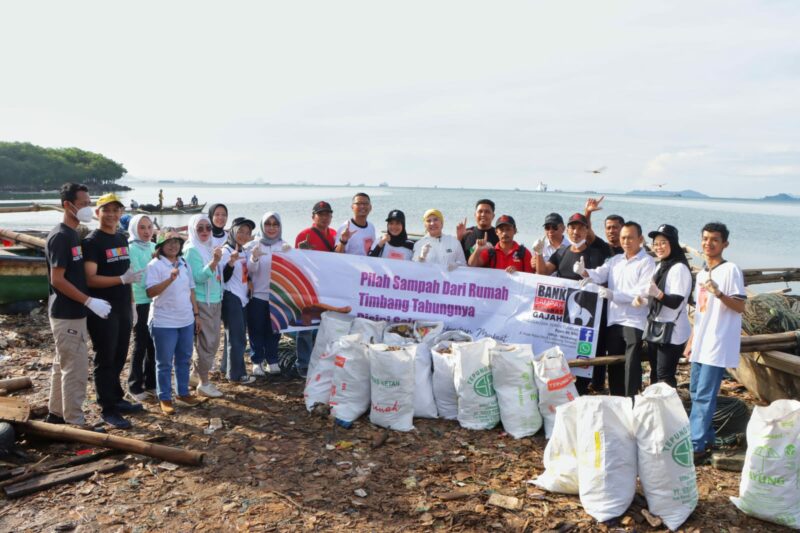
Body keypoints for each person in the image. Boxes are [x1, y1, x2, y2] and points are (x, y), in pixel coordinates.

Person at [44, 183, 112, 429]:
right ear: (67, 205)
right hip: (66, 312)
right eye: (83, 204)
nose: (88, 208)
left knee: (63, 363)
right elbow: (57, 279)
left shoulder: (74, 234)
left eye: (88, 203)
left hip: (73, 312)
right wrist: (88, 300)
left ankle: (57, 413)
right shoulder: (61, 236)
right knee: (76, 369)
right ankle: (75, 421)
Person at [534, 203, 612, 394]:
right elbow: (543, 273)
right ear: (567, 230)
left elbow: (604, 279)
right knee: (564, 347)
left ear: (587, 230)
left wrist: (588, 278)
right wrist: (538, 254)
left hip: (588, 314)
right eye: (572, 227)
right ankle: (563, 380)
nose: (576, 231)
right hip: (565, 313)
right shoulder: (561, 252)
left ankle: (587, 385)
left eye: (580, 227)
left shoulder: (596, 254)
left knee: (587, 351)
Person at [82, 193, 144, 429]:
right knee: (105, 358)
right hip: (102, 308)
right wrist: (120, 279)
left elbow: (127, 274)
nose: (111, 214)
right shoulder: (92, 242)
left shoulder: (120, 237)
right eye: (106, 210)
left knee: (120, 355)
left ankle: (117, 398)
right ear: (97, 213)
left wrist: (131, 303)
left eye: (116, 210)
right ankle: (107, 408)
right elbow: (90, 278)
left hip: (123, 306)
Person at [685, 222, 745, 461]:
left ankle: (695, 445)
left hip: (717, 342)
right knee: (694, 391)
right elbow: (701, 313)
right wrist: (691, 341)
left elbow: (740, 306)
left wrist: (720, 294)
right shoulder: (701, 274)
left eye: (714, 240)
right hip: (701, 341)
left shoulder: (730, 270)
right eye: (705, 238)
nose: (708, 243)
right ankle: (706, 438)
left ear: (725, 244)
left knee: (704, 394)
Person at [577, 221, 655, 397]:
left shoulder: (647, 262)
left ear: (640, 239)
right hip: (614, 319)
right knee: (614, 362)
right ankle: (618, 398)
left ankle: (632, 398)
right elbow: (599, 273)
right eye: (623, 238)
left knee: (631, 361)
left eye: (630, 237)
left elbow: (642, 292)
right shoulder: (615, 260)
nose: (626, 241)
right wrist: (584, 272)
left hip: (634, 320)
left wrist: (614, 295)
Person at [146, 229, 203, 415]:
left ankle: (183, 392)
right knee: (163, 362)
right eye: (169, 243)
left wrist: (196, 315)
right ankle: (164, 397)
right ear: (161, 246)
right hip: (164, 321)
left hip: (185, 319)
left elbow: (191, 290)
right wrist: (169, 280)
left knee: (184, 358)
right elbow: (150, 292)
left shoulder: (184, 262)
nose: (173, 246)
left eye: (177, 243)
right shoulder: (155, 265)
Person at [293, 201, 337, 378]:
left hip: (328, 286)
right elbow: (296, 262)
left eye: (328, 214)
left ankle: (319, 360)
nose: (325, 217)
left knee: (324, 325)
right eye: (321, 214)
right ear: (313, 216)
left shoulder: (334, 234)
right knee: (305, 326)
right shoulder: (304, 235)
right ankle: (303, 363)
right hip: (308, 286)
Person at [644, 224, 692, 388]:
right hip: (657, 326)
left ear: (673, 243)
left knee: (665, 376)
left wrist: (657, 293)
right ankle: (656, 409)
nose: (659, 247)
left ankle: (669, 410)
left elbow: (675, 302)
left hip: (673, 330)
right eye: (656, 243)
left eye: (663, 242)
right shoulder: (661, 265)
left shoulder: (678, 268)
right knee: (655, 373)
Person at [247, 212, 293, 376]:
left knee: (274, 330)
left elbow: (291, 272)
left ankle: (272, 361)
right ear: (262, 226)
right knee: (256, 329)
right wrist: (254, 257)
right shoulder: (253, 244)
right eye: (268, 224)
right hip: (258, 295)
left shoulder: (285, 245)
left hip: (277, 296)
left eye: (275, 224)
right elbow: (250, 272)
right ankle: (257, 361)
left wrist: (291, 254)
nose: (272, 227)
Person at [184, 214, 224, 398]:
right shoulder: (192, 249)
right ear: (193, 230)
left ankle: (194, 375)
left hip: (215, 299)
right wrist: (214, 262)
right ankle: (204, 383)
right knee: (207, 343)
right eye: (199, 228)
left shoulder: (208, 247)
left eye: (208, 228)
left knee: (212, 341)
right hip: (202, 300)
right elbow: (198, 277)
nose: (205, 232)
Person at [221, 217, 258, 384]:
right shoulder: (225, 251)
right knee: (238, 338)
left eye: (247, 232)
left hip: (242, 297)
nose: (244, 235)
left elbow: (245, 271)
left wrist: (249, 279)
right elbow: (223, 278)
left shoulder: (243, 250)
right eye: (240, 231)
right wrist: (230, 263)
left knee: (234, 336)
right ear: (232, 231)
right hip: (230, 296)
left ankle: (226, 368)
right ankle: (237, 375)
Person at [127, 214, 157, 402]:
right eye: (142, 228)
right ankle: (134, 385)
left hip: (156, 300)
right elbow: (139, 276)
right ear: (134, 230)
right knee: (140, 343)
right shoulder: (131, 248)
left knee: (154, 343)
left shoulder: (154, 247)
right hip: (140, 301)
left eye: (149, 227)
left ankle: (151, 383)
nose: (147, 232)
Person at [468, 215, 532, 273]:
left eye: (508, 229)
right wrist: (477, 250)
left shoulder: (524, 253)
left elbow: (531, 278)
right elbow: (471, 265)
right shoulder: (490, 252)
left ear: (515, 231)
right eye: (501, 230)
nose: (504, 233)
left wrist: (517, 273)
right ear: (496, 232)